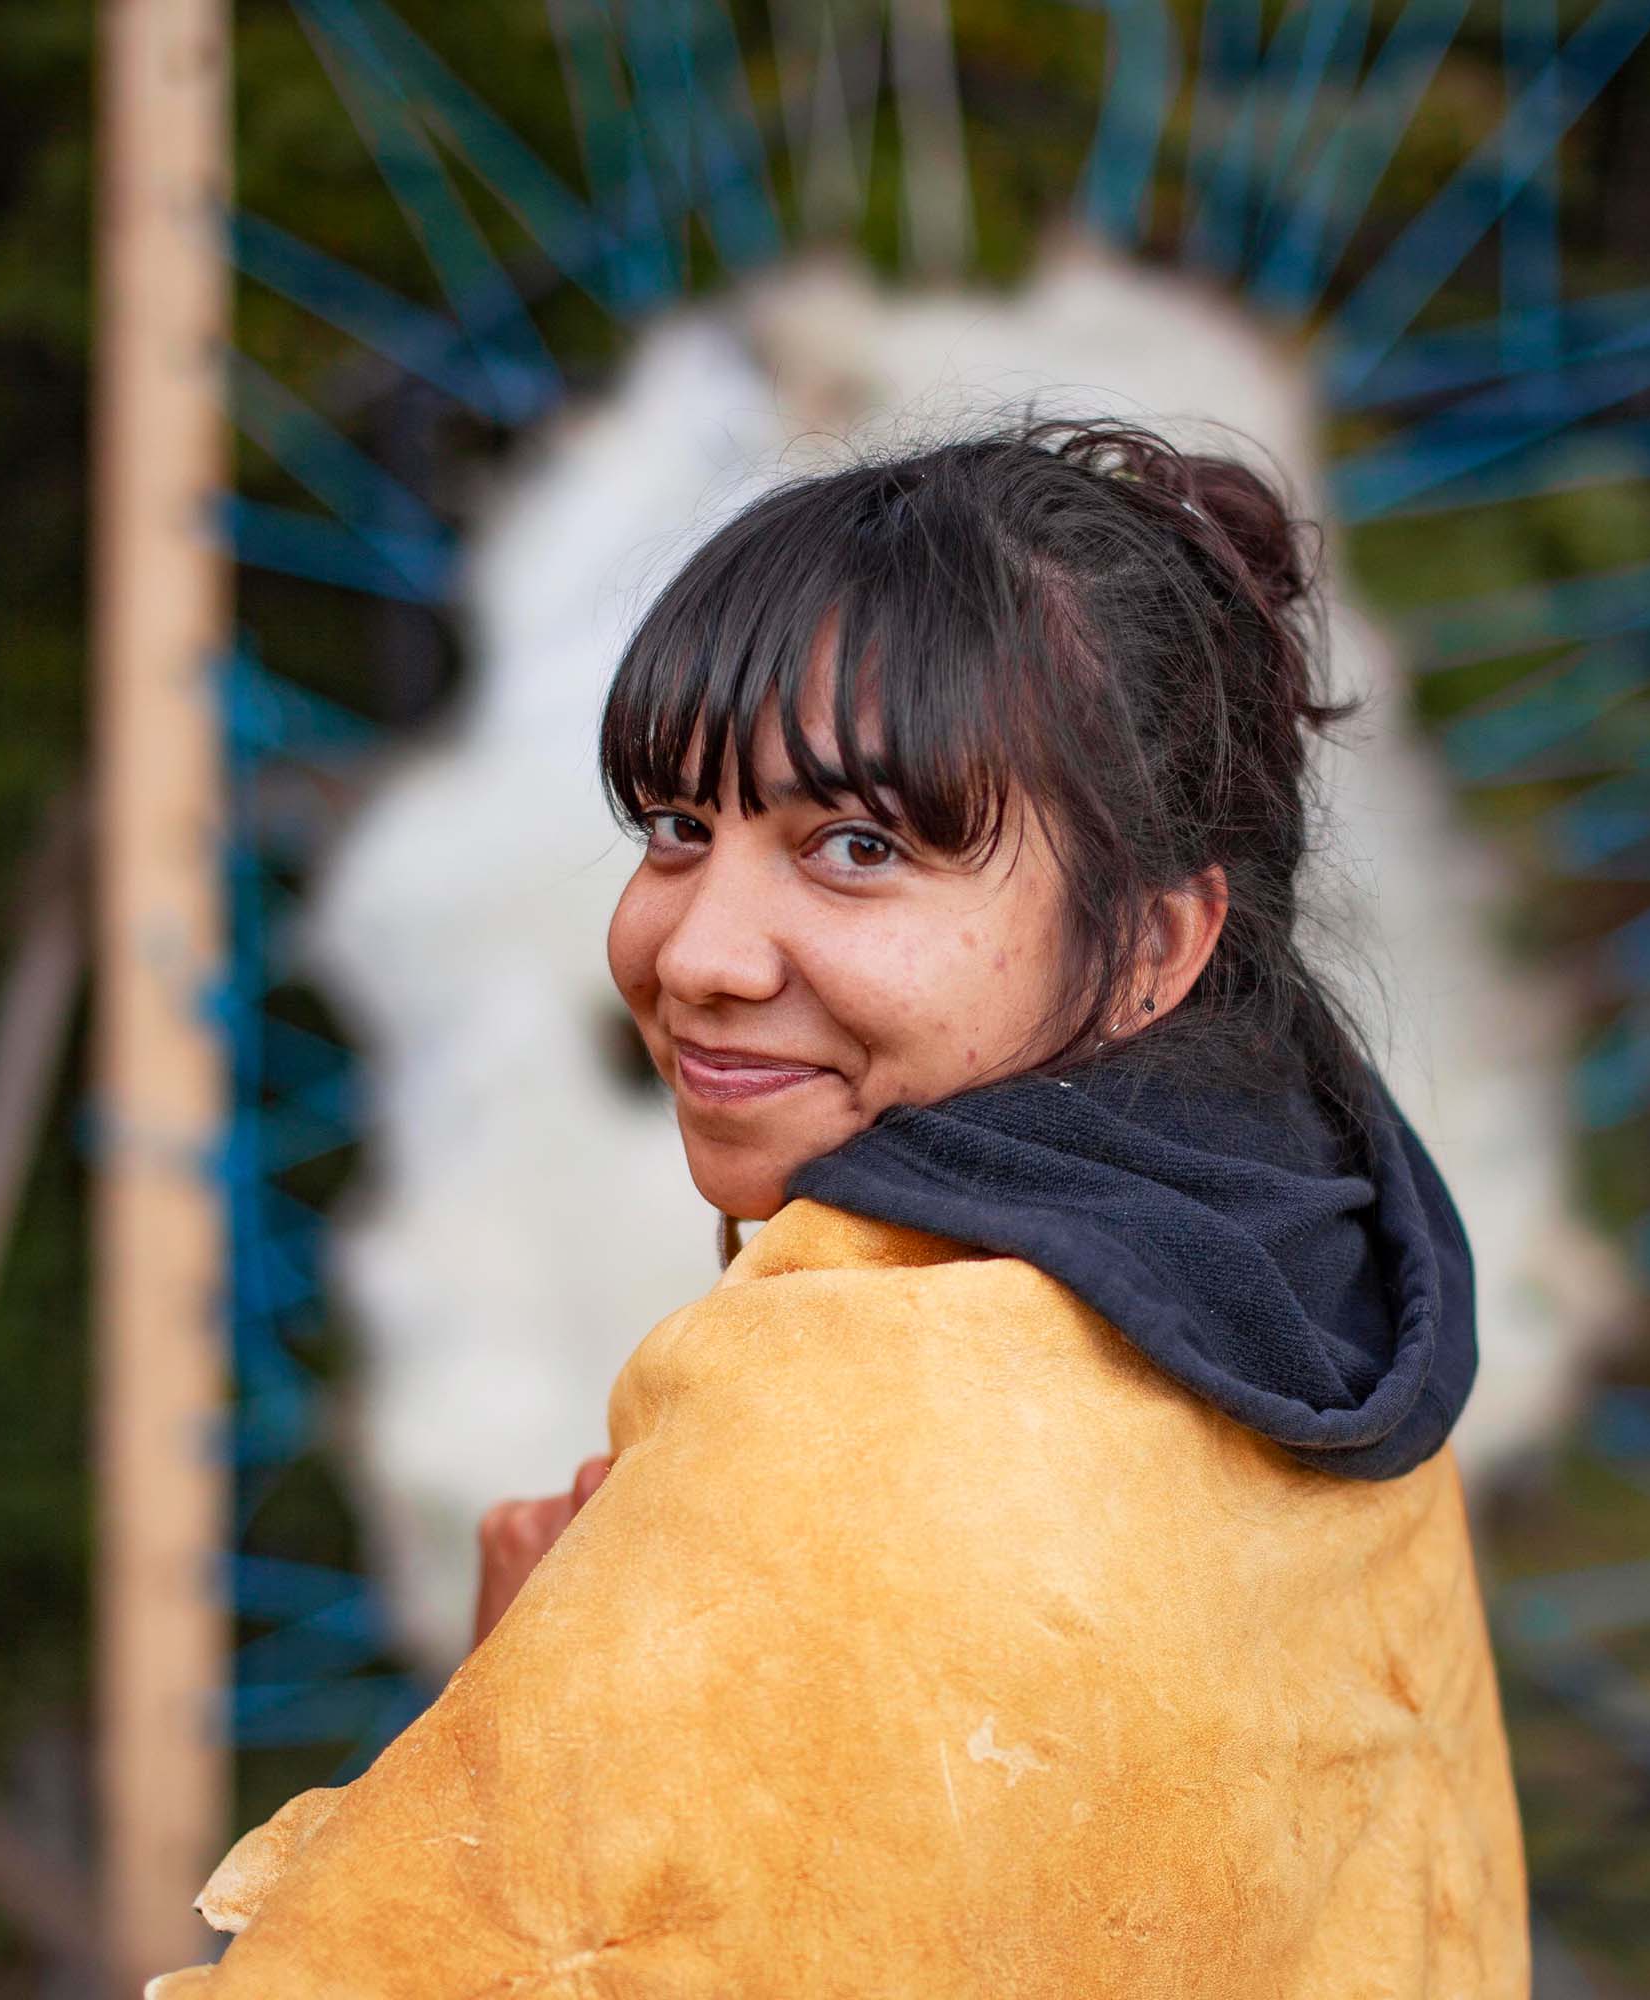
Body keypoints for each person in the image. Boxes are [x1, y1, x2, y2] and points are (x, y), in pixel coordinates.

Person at [149, 419, 1528, 1997]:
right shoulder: (1326, 1296)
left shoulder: (837, 1429)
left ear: (1156, 945)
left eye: (857, 847)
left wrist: (518, 1720)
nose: (696, 955)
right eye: (676, 828)